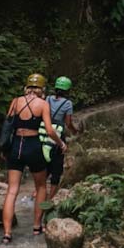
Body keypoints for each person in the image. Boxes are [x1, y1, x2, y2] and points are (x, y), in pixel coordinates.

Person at [0, 73, 66, 244]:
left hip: (15, 147)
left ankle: (7, 233)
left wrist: (4, 148)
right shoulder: (43, 104)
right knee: (41, 185)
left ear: (26, 87)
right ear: (42, 89)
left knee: (12, 190)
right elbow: (50, 130)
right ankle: (37, 226)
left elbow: (8, 125)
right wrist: (60, 143)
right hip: (33, 146)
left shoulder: (15, 101)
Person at [41, 75, 80, 216]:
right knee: (56, 169)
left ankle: (37, 194)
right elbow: (68, 123)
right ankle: (49, 201)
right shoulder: (68, 104)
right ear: (68, 90)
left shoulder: (48, 99)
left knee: (43, 165)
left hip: (43, 133)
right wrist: (75, 131)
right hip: (57, 136)